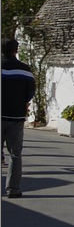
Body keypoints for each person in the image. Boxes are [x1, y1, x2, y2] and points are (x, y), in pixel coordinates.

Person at [2, 38, 35, 198]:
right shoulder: (25, 70)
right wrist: (22, 102)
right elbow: (30, 92)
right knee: (15, 154)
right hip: (16, 117)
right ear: (16, 50)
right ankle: (13, 189)